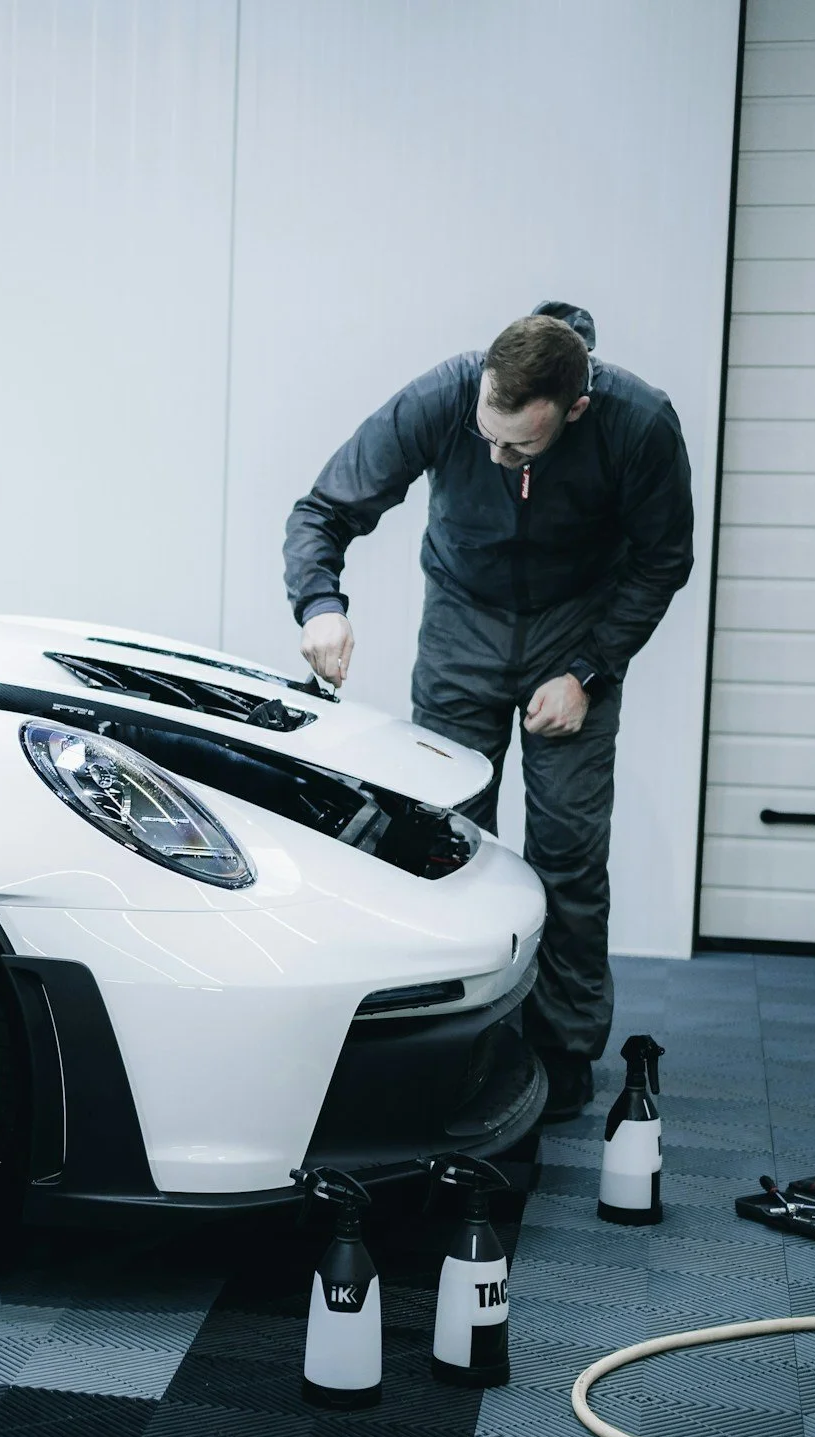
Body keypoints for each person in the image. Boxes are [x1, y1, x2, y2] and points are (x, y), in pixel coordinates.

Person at [282, 305, 693, 1118]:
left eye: (519, 448)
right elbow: (324, 509)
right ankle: (455, 1039)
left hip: (575, 629)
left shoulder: (639, 424)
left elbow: (663, 558)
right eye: (487, 438)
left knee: (568, 849)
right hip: (462, 624)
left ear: (575, 410)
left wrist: (588, 671)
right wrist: (320, 604)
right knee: (444, 841)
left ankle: (562, 1049)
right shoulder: (446, 395)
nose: (497, 457)